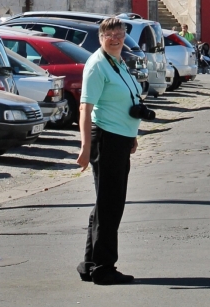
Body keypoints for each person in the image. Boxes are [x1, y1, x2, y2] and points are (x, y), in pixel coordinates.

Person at [76, 16, 141, 285]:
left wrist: (132, 135)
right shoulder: (97, 65)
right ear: (100, 37)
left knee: (104, 204)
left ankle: (90, 263)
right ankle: (104, 268)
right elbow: (85, 108)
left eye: (120, 33)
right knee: (110, 205)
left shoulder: (117, 60)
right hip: (106, 140)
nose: (116, 38)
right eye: (110, 34)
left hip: (120, 139)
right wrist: (85, 147)